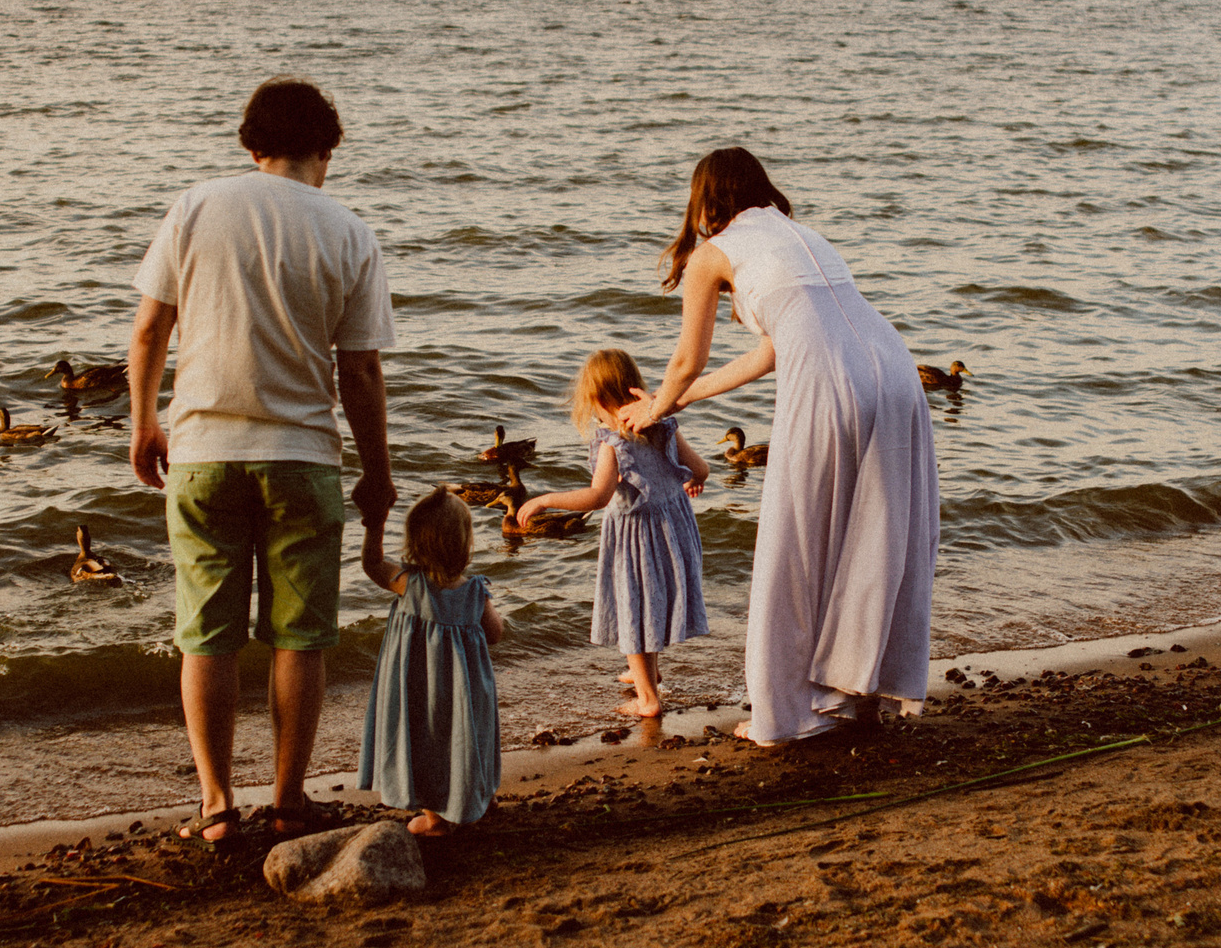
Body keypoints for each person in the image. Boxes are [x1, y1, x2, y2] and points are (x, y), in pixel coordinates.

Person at [128, 77, 396, 843]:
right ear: (328, 150)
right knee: (298, 636)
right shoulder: (348, 230)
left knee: (206, 633)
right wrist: (376, 470)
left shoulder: (197, 206)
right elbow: (362, 374)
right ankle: (287, 795)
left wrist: (145, 422)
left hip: (203, 453)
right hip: (302, 455)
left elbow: (149, 330)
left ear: (251, 146)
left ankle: (215, 803)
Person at [620, 148, 939, 745]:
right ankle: (854, 689)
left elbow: (689, 359)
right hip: (895, 371)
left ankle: (786, 713)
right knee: (869, 538)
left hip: (829, 379)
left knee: (796, 541)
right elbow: (771, 350)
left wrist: (657, 404)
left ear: (704, 199)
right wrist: (680, 401)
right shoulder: (802, 235)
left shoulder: (711, 254)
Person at [517, 348, 709, 718]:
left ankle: (648, 699)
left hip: (636, 537)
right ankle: (647, 674)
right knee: (653, 603)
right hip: (675, 530)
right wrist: (692, 483)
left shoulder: (613, 443)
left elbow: (598, 496)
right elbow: (700, 468)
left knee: (632, 608)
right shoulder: (665, 425)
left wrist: (546, 499)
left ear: (600, 400)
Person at [359, 487, 505, 835]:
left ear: (415, 544)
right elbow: (496, 633)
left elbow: (371, 563)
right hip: (466, 691)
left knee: (427, 739)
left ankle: (437, 819)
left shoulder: (408, 585)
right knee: (469, 737)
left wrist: (374, 523)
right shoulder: (475, 592)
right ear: (465, 544)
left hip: (419, 688)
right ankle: (477, 797)